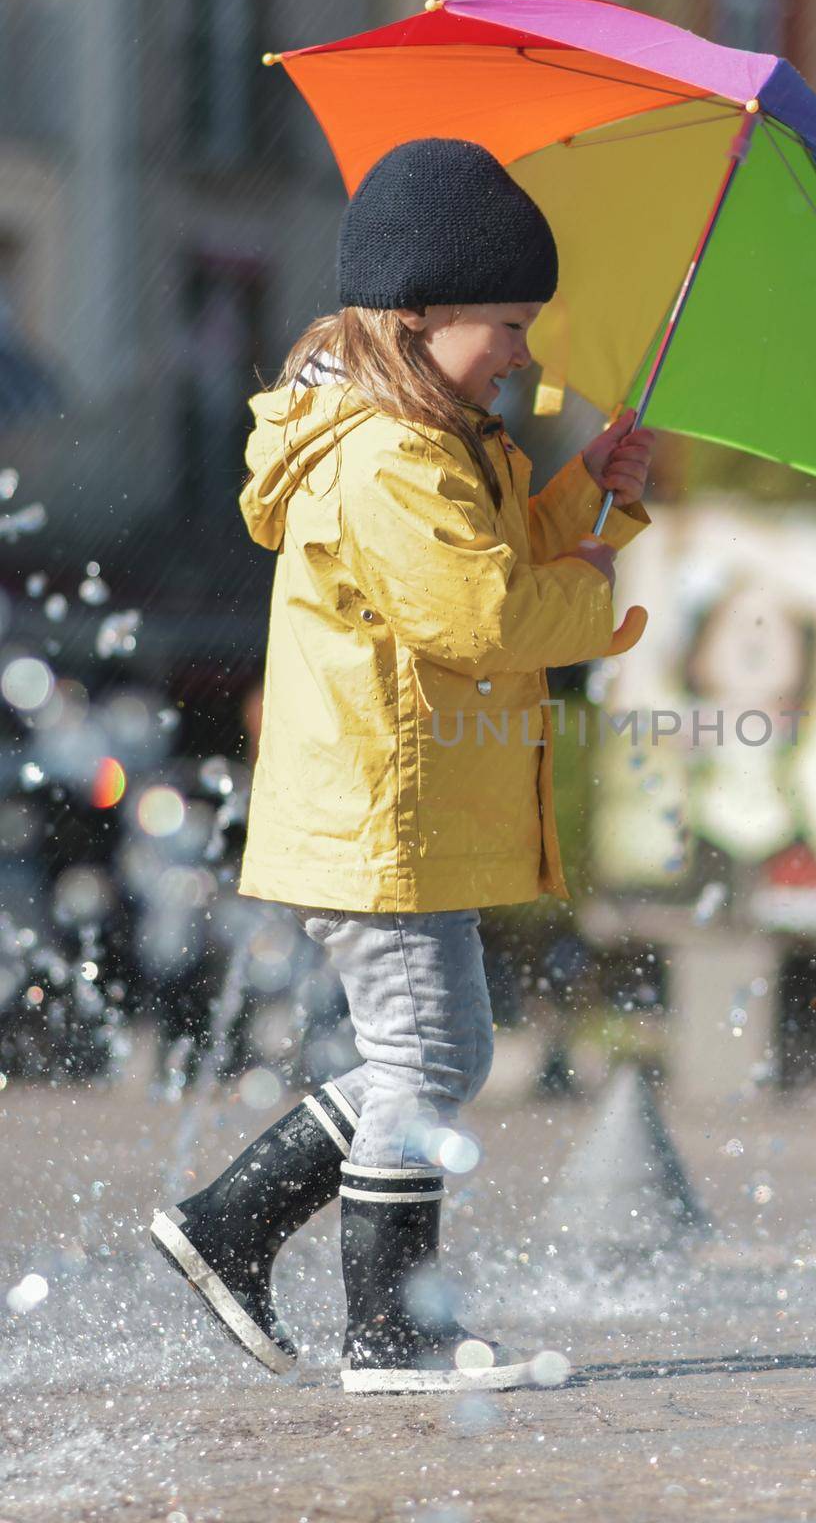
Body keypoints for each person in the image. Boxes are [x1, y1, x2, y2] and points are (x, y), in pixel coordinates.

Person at [149, 137, 654, 1394]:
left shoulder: (440, 439)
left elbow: (479, 559)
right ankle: (390, 1326)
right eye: (508, 321)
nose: (525, 349)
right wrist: (592, 605)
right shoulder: (388, 454)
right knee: (428, 1058)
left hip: (399, 804)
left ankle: (228, 1225)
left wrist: (588, 494)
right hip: (383, 810)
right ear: (419, 311)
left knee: (439, 1054)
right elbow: (474, 617)